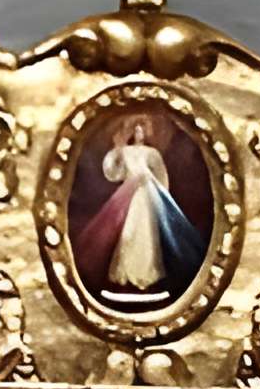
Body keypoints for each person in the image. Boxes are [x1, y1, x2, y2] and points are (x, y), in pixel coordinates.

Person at [77, 109, 206, 301]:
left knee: (147, 233)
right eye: (136, 130)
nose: (139, 133)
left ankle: (146, 275)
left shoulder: (151, 153)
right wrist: (118, 150)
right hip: (130, 195)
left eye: (142, 130)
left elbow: (161, 175)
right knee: (128, 233)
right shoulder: (126, 152)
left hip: (148, 195)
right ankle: (127, 274)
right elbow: (113, 173)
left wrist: (161, 196)